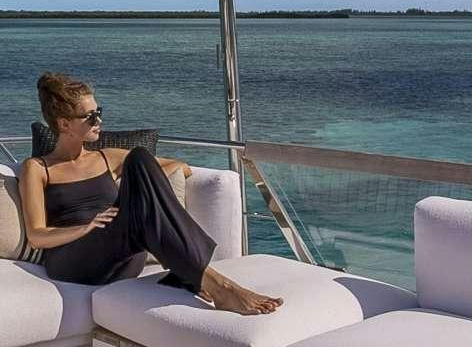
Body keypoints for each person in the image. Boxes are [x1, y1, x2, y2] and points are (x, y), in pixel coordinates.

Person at [19, 72, 282, 315]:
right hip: (73, 262)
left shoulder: (107, 157)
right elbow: (37, 235)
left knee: (140, 157)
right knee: (138, 173)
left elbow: (171, 167)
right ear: (64, 123)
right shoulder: (39, 168)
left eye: (98, 111)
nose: (99, 120)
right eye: (89, 116)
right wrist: (85, 228)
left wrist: (168, 176)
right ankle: (214, 283)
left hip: (121, 256)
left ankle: (192, 271)